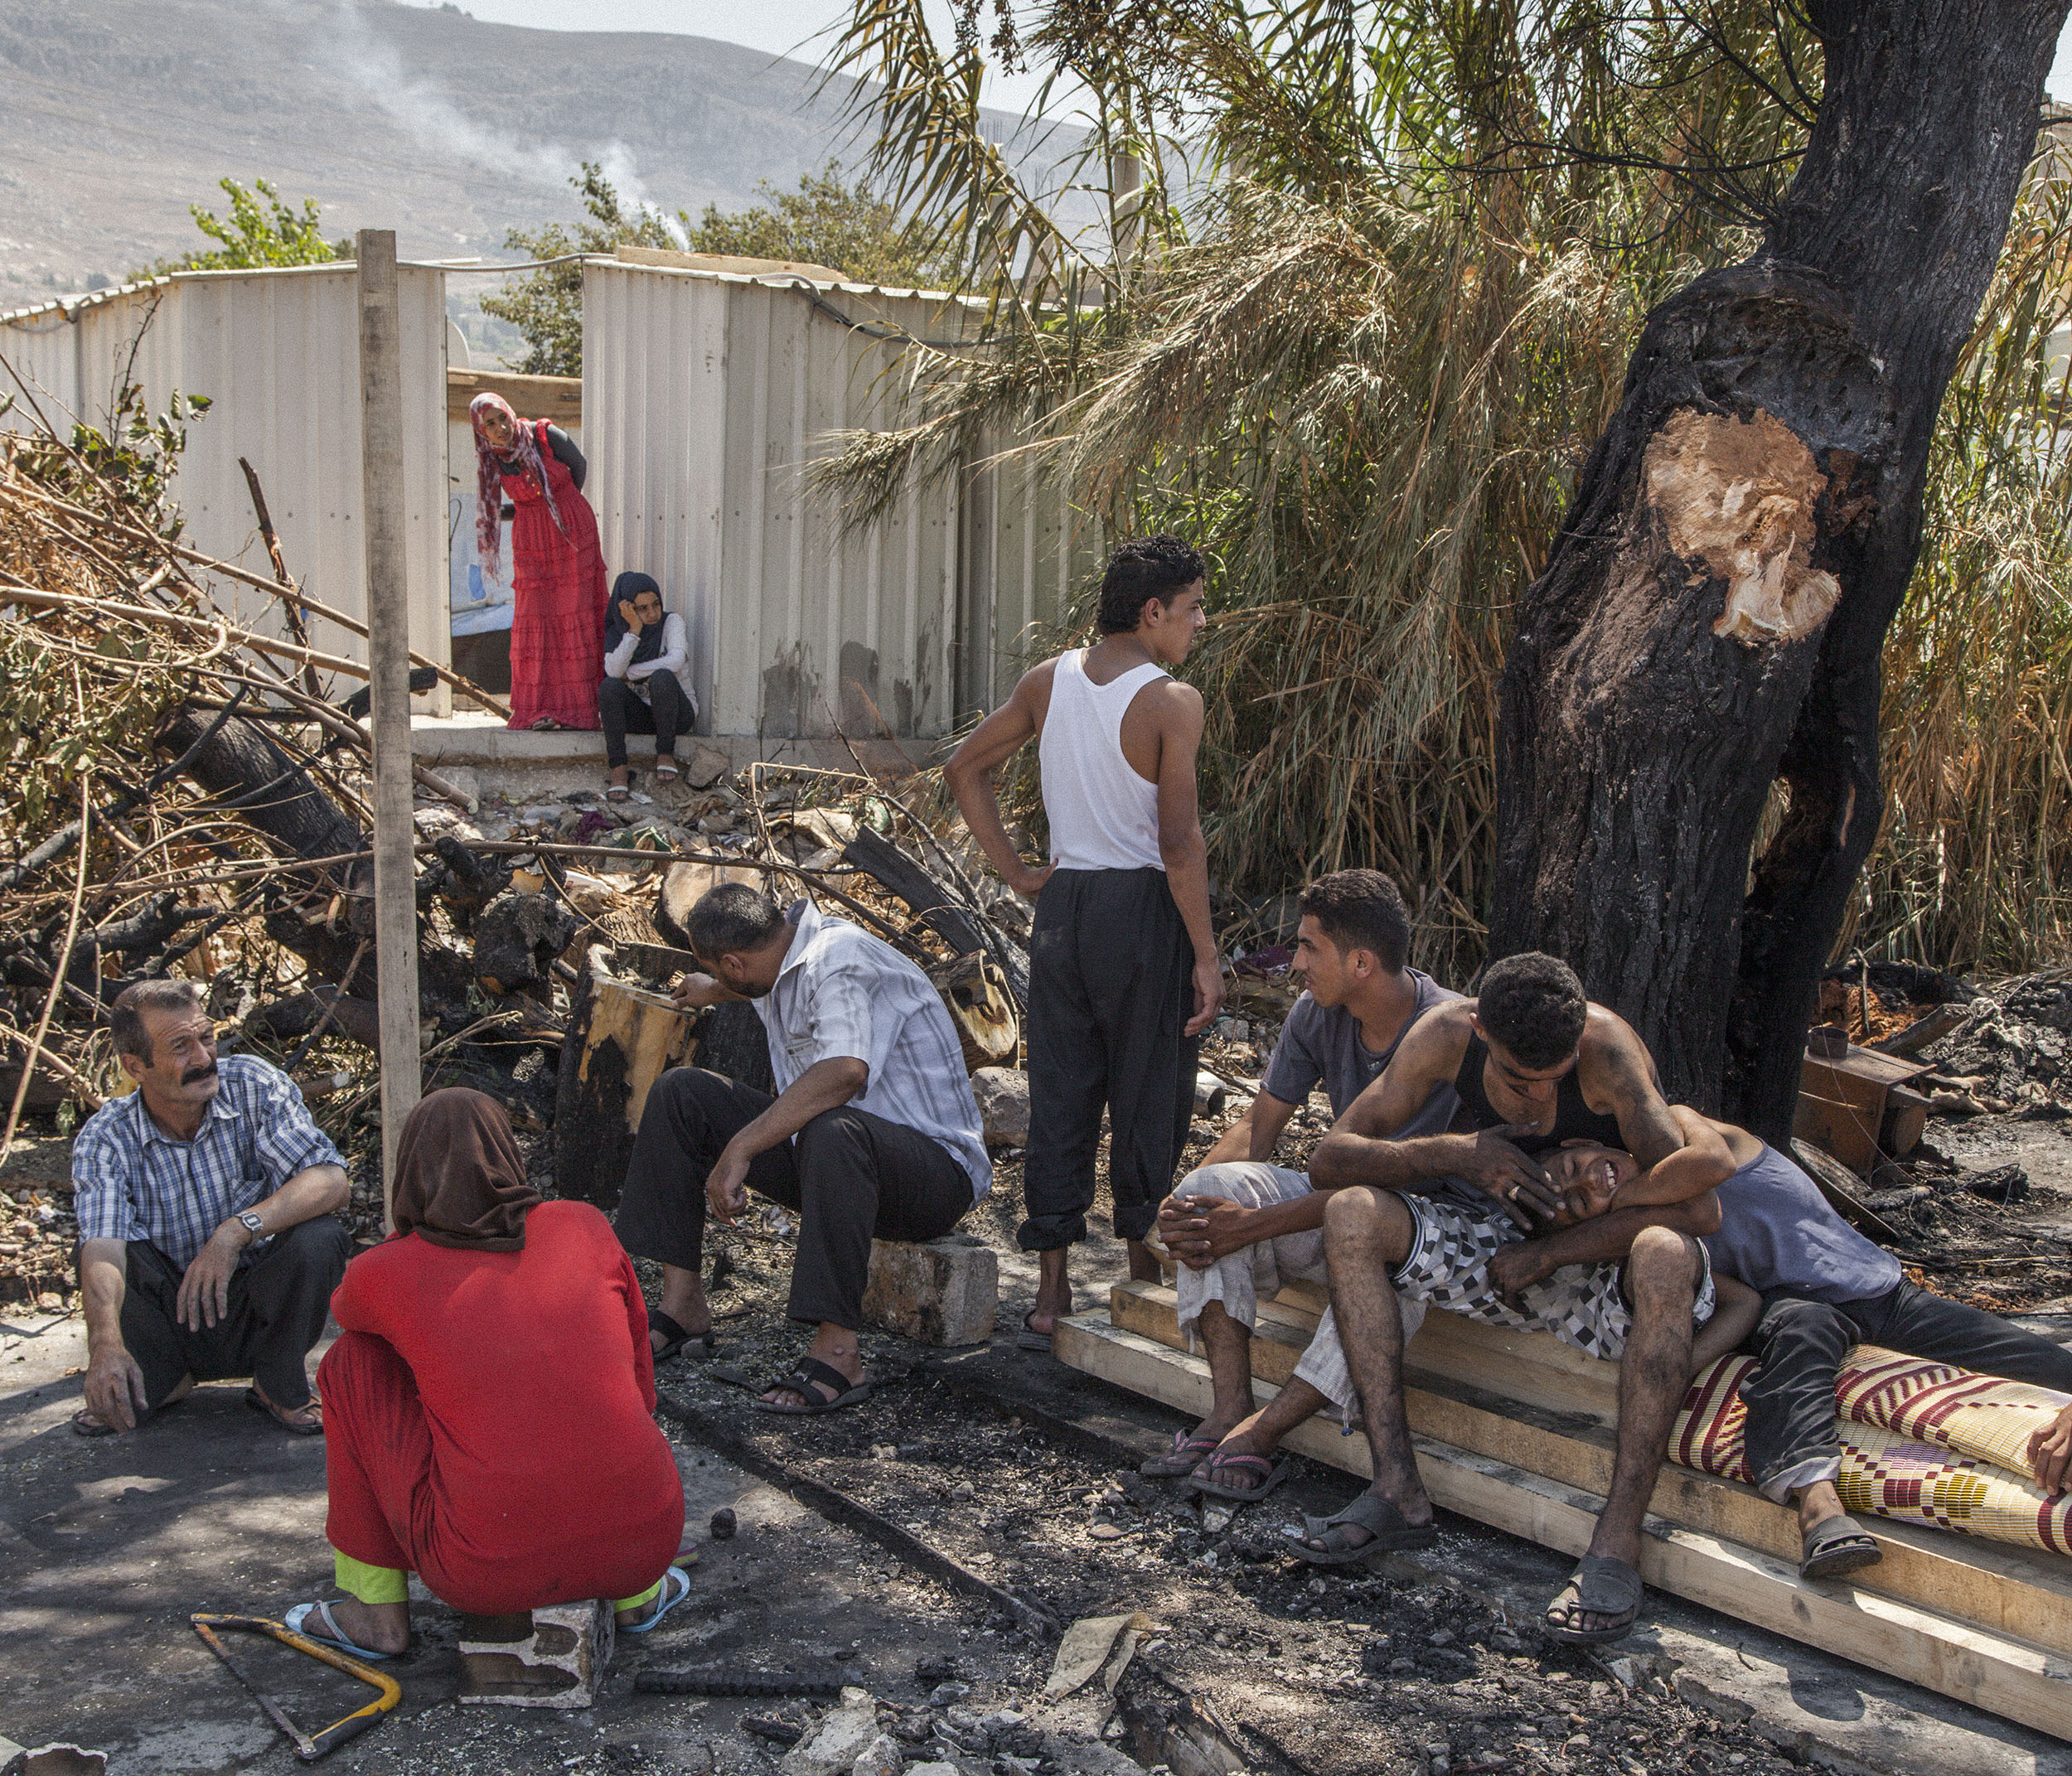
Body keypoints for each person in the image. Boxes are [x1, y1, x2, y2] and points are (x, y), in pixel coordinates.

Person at [1287, 952, 1731, 1643]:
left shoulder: (1607, 1052)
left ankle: (1615, 1545)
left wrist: (1553, 1251)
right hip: (1501, 1246)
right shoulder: (1443, 1034)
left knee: (1667, 1254)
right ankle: (1395, 1489)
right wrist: (1457, 1153)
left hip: (1603, 1259)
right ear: (1480, 1029)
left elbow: (1699, 1209)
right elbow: (1329, 1157)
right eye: (1517, 1082)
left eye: (1553, 1081)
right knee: (1350, 1211)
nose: (1535, 1101)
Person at [1535, 1121, 2072, 1597]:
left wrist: (1561, 1242)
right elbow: (1741, 1303)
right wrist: (1674, 1376)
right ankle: (1819, 1507)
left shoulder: (1681, 1130)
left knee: (2044, 1367)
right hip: (1803, 1312)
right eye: (1582, 1199)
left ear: (1584, 1139)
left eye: (1577, 1166)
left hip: (1884, 1293)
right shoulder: (1658, 1240)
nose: (1595, 1181)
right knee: (1802, 1329)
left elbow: (1706, 1170)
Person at [945, 535, 1225, 1351]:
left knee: (1064, 1089)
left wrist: (1019, 872)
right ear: (1153, 612)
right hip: (1141, 909)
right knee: (1149, 1086)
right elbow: (1180, 843)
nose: (1199, 622)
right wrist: (1206, 955)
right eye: (1194, 606)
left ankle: (1052, 1289)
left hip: (1065, 910)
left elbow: (965, 768)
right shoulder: (1172, 700)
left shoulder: (1048, 680)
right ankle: (1142, 1279)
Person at [290, 1090, 689, 1660]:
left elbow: (349, 1313)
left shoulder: (383, 1271)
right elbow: (639, 1384)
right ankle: (638, 1596)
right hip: (647, 1541)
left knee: (353, 1362)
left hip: (483, 1573)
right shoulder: (584, 1223)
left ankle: (374, 1613)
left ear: (411, 1173)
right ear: (510, 1154)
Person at [1140, 869, 1461, 1491]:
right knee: (1208, 1198)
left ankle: (1263, 1431)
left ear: (1362, 962)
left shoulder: (1446, 1027)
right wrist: (1183, 1201)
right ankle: (1230, 1404)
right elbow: (1260, 1128)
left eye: (1310, 946)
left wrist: (1254, 1222)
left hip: (1417, 1237)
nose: (1295, 962)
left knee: (1385, 1269)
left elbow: (1413, 1200)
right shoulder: (1317, 1014)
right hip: (1332, 1210)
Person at [613, 883, 990, 1413]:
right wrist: (715, 989)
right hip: (837, 1164)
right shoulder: (782, 949)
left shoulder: (840, 962)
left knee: (833, 1124)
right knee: (683, 1094)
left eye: (725, 972)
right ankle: (683, 1307)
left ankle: (839, 1353)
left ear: (733, 961)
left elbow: (845, 1071)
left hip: (932, 1176)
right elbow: (767, 982)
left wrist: (740, 1147)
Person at [69, 979, 351, 1438]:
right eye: (181, 1046)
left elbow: (331, 1180)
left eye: (206, 1037)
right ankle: (162, 1379)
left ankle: (275, 1383)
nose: (202, 1058)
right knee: (95, 1252)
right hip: (168, 1314)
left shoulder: (253, 1084)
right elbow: (104, 1243)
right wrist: (104, 1344)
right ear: (135, 1066)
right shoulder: (106, 1136)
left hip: (252, 1306)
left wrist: (235, 1233)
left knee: (319, 1237)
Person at [471, 391, 608, 733]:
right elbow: (517, 498)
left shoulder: (546, 436)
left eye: (502, 417)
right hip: (532, 541)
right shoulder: (491, 459)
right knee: (537, 618)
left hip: (571, 530)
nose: (501, 427)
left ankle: (579, 712)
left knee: (573, 613)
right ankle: (539, 712)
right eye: (490, 423)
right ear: (481, 430)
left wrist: (557, 502)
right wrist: (519, 511)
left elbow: (579, 467)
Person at [600, 570, 696, 801]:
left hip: (677, 714)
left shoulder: (671, 622)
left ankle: (665, 753)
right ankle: (619, 770)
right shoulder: (618, 632)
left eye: (655, 605)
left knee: (663, 677)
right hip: (642, 716)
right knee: (608, 688)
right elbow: (613, 672)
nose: (652, 613)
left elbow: (675, 660)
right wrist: (634, 631)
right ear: (627, 610)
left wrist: (631, 672)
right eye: (642, 608)